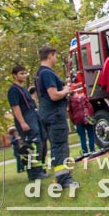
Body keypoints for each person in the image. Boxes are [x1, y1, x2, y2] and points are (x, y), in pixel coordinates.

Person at [35, 44, 79, 189]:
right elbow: (53, 95)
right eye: (54, 56)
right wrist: (66, 90)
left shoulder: (39, 73)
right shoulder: (47, 73)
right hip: (55, 115)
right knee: (60, 146)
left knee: (56, 146)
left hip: (47, 114)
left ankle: (61, 176)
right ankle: (64, 179)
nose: (55, 59)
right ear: (50, 55)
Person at [7, 65, 48, 180]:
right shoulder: (13, 90)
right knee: (32, 144)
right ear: (14, 75)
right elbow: (16, 107)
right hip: (26, 118)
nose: (24, 76)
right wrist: (22, 122)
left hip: (34, 116)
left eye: (25, 73)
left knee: (41, 142)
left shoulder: (24, 88)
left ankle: (40, 168)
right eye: (21, 74)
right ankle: (34, 172)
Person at [68, 90, 97, 157]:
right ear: (76, 93)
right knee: (91, 135)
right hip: (86, 118)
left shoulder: (70, 102)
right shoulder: (83, 98)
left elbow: (70, 114)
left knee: (82, 138)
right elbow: (90, 107)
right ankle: (92, 150)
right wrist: (90, 116)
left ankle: (85, 152)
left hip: (78, 120)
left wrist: (74, 122)